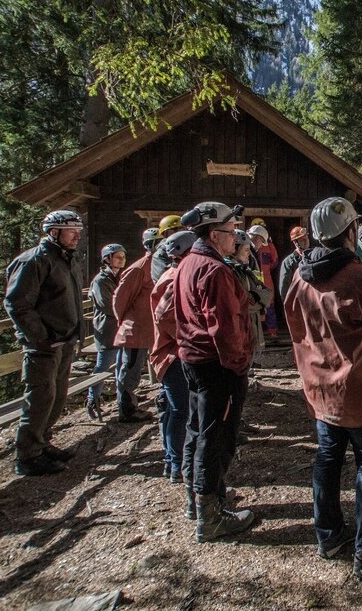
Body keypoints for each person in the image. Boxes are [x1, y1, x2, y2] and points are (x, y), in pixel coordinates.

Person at [283, 197, 362, 581]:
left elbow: (295, 329)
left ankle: (329, 536)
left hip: (320, 391)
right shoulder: (361, 278)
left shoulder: (299, 278)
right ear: (350, 232)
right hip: (361, 391)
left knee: (328, 458)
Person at [175, 201, 255, 542]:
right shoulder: (215, 271)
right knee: (216, 437)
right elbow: (226, 329)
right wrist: (238, 366)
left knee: (198, 430)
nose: (235, 237)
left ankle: (201, 498)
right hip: (217, 366)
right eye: (231, 231)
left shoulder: (188, 263)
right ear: (213, 234)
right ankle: (209, 516)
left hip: (194, 362)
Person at [3, 210, 87, 476]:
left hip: (64, 342)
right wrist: (41, 337)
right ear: (53, 232)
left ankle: (42, 443)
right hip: (43, 346)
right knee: (40, 398)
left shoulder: (66, 259)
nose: (77, 236)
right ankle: (27, 456)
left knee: (57, 397)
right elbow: (17, 303)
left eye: (78, 231)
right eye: (71, 231)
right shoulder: (34, 261)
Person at [149, 230, 197, 488]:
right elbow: (164, 315)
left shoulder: (174, 274)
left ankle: (172, 461)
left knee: (173, 410)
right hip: (173, 355)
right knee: (180, 411)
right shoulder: (174, 277)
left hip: (172, 353)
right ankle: (176, 463)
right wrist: (190, 338)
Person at [111, 227, 159, 422]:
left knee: (134, 369)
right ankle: (127, 410)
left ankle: (129, 402)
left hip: (148, 329)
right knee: (129, 369)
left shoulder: (155, 265)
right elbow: (119, 299)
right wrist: (124, 322)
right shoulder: (139, 268)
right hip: (135, 330)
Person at [86, 243, 126, 419]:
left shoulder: (119, 277)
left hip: (120, 328)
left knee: (121, 365)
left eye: (123, 257)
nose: (121, 260)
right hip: (107, 329)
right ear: (107, 259)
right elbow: (107, 305)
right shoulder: (101, 280)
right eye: (118, 257)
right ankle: (92, 399)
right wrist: (127, 307)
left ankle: (122, 400)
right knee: (102, 366)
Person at [229, 230, 272, 354]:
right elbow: (242, 302)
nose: (249, 255)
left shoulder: (245, 270)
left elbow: (267, 293)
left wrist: (255, 298)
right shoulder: (229, 272)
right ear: (235, 249)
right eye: (246, 250)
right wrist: (260, 300)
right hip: (241, 329)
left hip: (251, 326)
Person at [247, 220, 279, 338]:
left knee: (269, 304)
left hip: (265, 279)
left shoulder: (268, 246)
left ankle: (272, 331)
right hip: (253, 283)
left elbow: (274, 261)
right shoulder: (246, 248)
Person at [278, 225, 311, 299]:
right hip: (297, 302)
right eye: (302, 239)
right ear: (295, 242)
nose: (306, 241)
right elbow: (284, 289)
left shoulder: (314, 257)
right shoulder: (288, 262)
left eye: (306, 238)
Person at [151, 214, 185, 282]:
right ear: (165, 233)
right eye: (174, 230)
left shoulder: (187, 249)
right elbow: (163, 280)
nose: (178, 233)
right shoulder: (159, 255)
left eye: (181, 230)